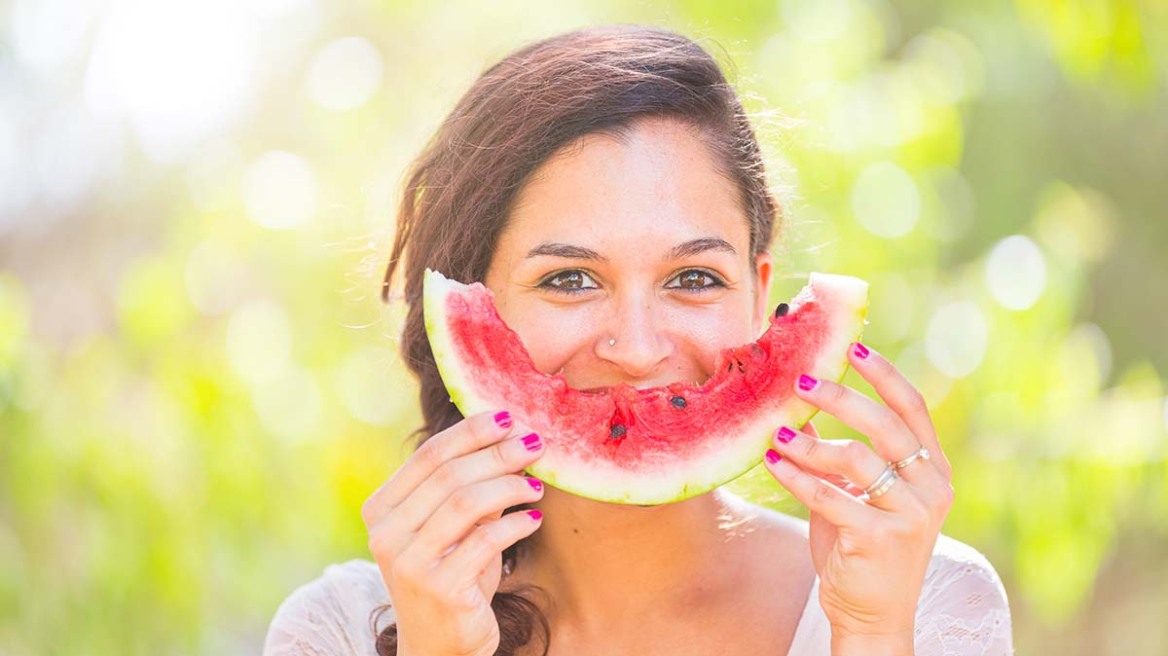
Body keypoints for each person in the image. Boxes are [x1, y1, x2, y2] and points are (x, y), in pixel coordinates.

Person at [263, 25, 1013, 656]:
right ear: (471, 305)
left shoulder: (925, 604)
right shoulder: (338, 631)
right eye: (569, 280)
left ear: (760, 296)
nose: (637, 348)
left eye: (693, 278)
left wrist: (871, 635)